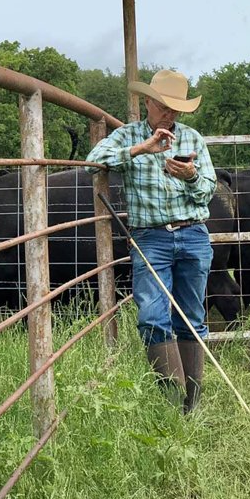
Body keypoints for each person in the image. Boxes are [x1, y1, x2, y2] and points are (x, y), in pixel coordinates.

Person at [86, 69, 217, 413]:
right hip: (150, 238)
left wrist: (191, 177)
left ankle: (193, 404)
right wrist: (140, 149)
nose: (169, 114)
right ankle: (172, 403)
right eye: (163, 106)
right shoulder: (127, 135)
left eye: (175, 109)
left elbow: (208, 193)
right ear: (148, 102)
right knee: (152, 317)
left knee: (191, 316)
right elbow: (91, 162)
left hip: (192, 234)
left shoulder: (193, 140)